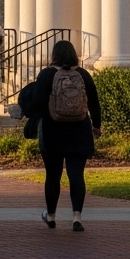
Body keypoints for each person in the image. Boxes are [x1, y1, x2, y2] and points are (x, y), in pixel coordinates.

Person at [21, 39, 101, 232]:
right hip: (79, 130)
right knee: (76, 175)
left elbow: (38, 103)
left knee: (53, 175)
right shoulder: (82, 75)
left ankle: (51, 215)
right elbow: (94, 103)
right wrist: (97, 126)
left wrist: (27, 114)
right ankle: (77, 217)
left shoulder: (47, 74)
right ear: (73, 54)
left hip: (52, 131)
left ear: (54, 55)